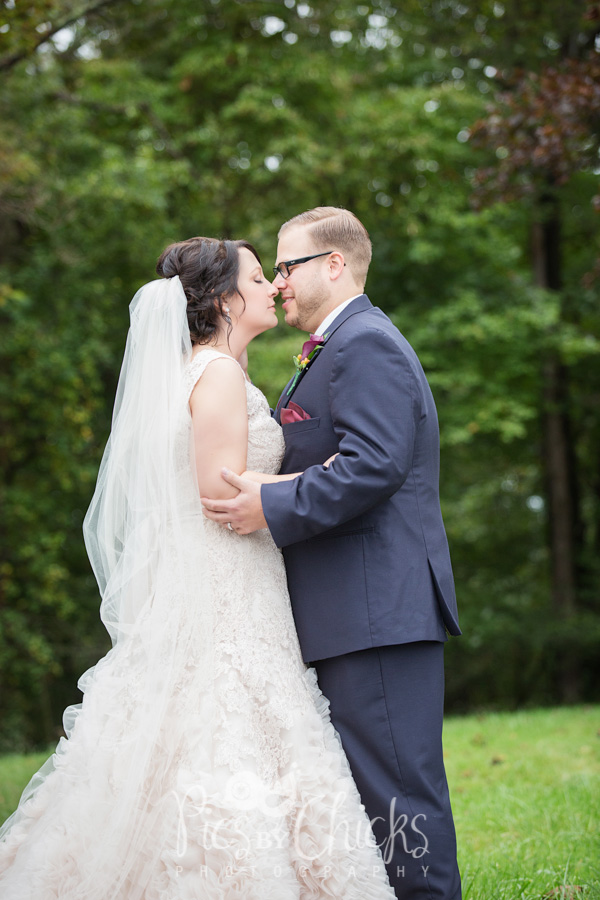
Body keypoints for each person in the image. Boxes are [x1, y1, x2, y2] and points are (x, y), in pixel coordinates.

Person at [0, 236, 396, 899]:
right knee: (228, 722)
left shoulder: (205, 371)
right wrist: (329, 474)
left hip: (231, 576)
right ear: (223, 300)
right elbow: (221, 494)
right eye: (258, 276)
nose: (273, 285)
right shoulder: (215, 374)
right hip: (226, 582)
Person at [201, 208, 463, 899]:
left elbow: (374, 466)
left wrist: (271, 504)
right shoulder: (335, 346)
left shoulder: (363, 344)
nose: (278, 282)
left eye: (287, 266)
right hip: (354, 610)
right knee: (372, 798)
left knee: (400, 796)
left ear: (335, 264)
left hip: (375, 608)